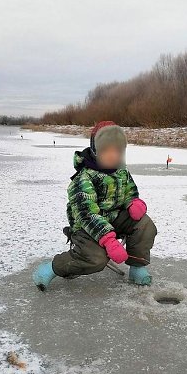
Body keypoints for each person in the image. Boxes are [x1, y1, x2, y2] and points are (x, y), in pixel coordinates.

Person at [33, 121, 157, 290]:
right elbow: (87, 215)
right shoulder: (83, 179)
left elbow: (130, 191)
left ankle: (137, 268)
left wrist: (133, 202)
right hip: (87, 227)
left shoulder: (121, 171)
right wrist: (108, 240)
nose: (113, 155)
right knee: (96, 260)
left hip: (114, 218)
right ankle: (52, 268)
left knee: (145, 224)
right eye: (106, 150)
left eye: (117, 150)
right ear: (95, 150)